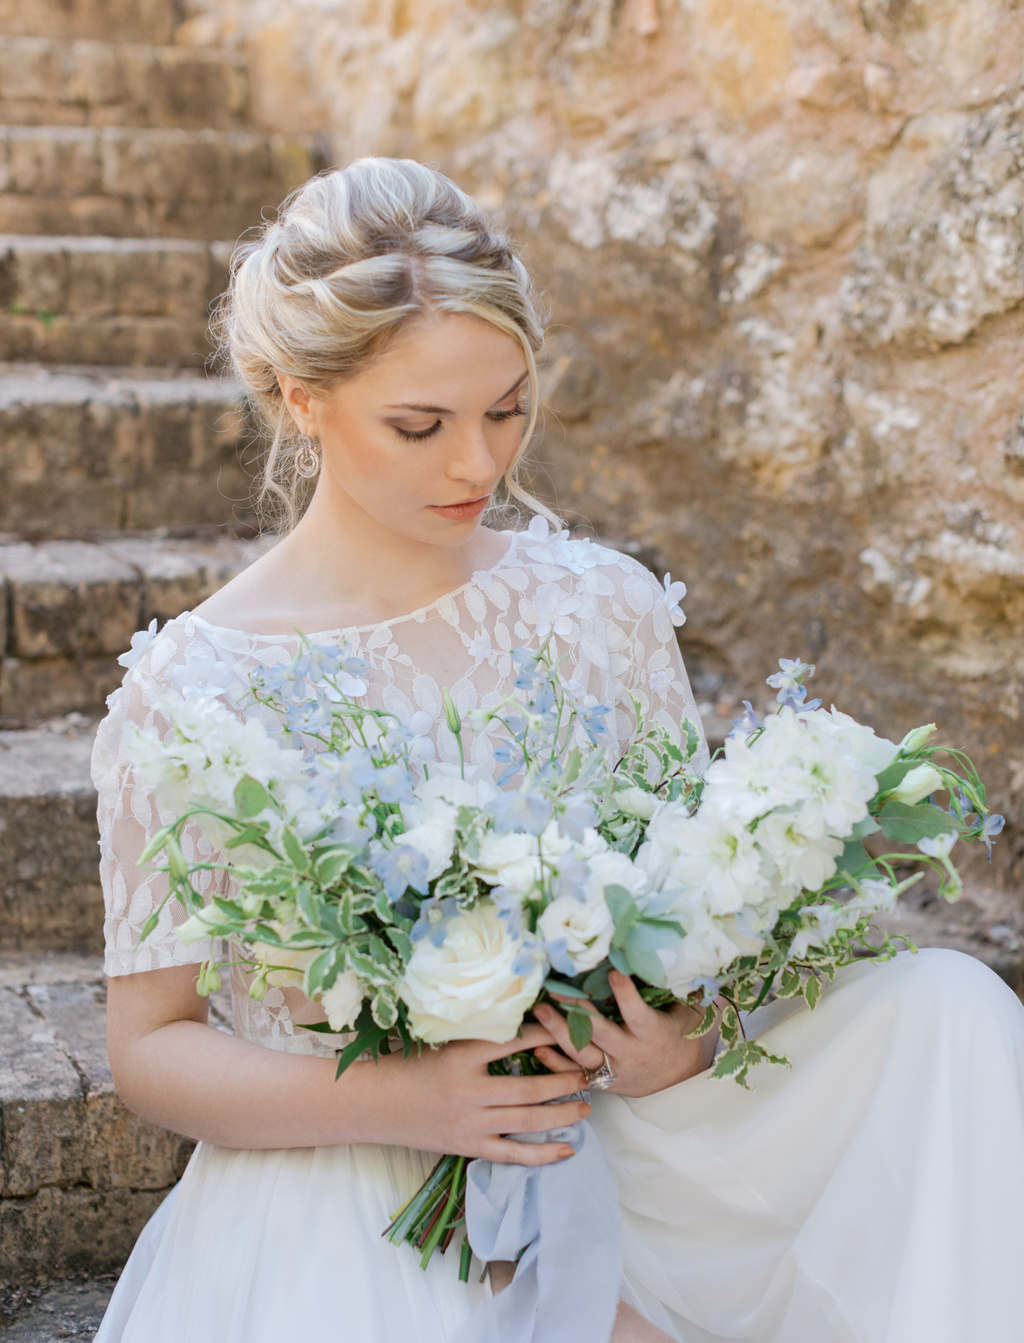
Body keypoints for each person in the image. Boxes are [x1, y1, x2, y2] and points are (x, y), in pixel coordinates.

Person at [93, 158, 1024, 1343]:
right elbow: (153, 1047)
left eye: (507, 407)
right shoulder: (195, 689)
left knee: (946, 1004)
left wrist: (681, 1035)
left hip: (627, 1122)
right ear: (296, 396)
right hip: (367, 1159)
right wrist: (410, 1098)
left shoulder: (604, 604)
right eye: (420, 424)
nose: (478, 464)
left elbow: (695, 909)